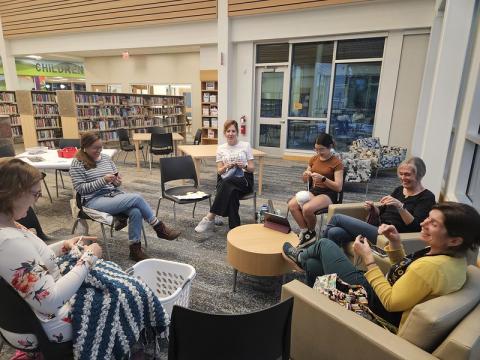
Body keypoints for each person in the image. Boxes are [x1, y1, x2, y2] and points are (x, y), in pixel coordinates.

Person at [0, 158, 167, 359]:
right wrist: (88, 258)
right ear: (14, 194)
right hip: (44, 323)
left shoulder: (8, 225)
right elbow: (50, 301)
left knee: (117, 284)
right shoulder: (8, 242)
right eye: (35, 194)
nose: (37, 199)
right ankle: (131, 347)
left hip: (28, 314)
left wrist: (64, 246)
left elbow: (32, 261)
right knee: (122, 296)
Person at [282, 202, 480, 331]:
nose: (423, 224)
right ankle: (309, 299)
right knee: (313, 263)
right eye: (427, 218)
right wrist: (394, 243)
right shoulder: (452, 259)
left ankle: (299, 255)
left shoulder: (432, 268)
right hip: (382, 293)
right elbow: (408, 274)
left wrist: (368, 259)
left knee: (324, 244)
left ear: (454, 240)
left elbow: (391, 302)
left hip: (375, 303)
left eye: (433, 224)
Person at [70, 131, 180, 261]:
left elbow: (116, 182)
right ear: (85, 147)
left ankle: (135, 250)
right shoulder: (77, 163)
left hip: (112, 195)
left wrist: (117, 182)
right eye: (95, 148)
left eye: (101, 147)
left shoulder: (105, 158)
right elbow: (81, 189)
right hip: (92, 200)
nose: (99, 150)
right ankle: (159, 228)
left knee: (136, 212)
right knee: (136, 198)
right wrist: (103, 180)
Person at [325, 157, 435, 248]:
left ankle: (316, 253)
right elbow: (382, 211)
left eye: (407, 174)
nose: (402, 178)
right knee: (334, 232)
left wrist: (400, 207)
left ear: (420, 175)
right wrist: (373, 208)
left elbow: (416, 227)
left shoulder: (427, 197)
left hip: (390, 235)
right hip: (376, 227)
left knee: (337, 218)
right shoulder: (399, 190)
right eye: (401, 174)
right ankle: (330, 268)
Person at [195, 120, 254, 232]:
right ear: (224, 133)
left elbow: (252, 168)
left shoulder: (245, 145)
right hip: (226, 179)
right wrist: (226, 166)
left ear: (237, 133)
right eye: (228, 131)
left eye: (233, 131)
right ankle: (234, 229)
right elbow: (219, 172)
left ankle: (210, 216)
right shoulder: (221, 148)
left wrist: (245, 165)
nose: (231, 133)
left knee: (228, 183)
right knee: (232, 192)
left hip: (244, 180)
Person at [287, 133, 344, 248]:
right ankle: (306, 232)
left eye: (321, 149)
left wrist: (323, 179)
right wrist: (306, 175)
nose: (318, 152)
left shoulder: (337, 163)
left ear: (330, 147)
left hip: (329, 193)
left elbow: (338, 187)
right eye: (316, 149)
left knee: (307, 209)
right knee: (292, 205)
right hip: (315, 190)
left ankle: (311, 233)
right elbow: (304, 180)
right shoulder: (314, 159)